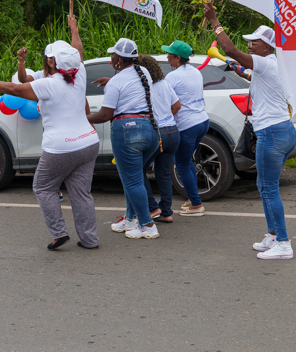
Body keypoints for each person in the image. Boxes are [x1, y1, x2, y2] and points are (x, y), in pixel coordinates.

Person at [0, 16, 100, 250]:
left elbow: (14, 88)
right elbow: (78, 50)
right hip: (88, 143)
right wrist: (74, 31)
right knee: (81, 193)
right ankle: (90, 239)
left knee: (43, 187)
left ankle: (59, 233)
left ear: (54, 61)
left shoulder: (50, 84)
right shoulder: (79, 73)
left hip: (61, 147)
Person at [204, 3, 296, 260]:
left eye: (254, 42)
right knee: (264, 185)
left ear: (266, 46)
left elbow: (229, 49)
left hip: (273, 133)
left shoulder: (266, 63)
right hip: (282, 131)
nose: (249, 45)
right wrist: (242, 72)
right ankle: (273, 235)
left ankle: (284, 243)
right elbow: (255, 76)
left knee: (268, 187)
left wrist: (214, 21)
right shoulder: (271, 65)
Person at [86, 38, 162, 240]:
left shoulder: (117, 82)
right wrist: (111, 81)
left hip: (127, 132)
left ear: (118, 58)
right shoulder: (143, 72)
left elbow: (104, 115)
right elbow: (129, 83)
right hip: (151, 130)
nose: (111, 58)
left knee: (133, 180)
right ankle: (130, 218)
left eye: (113, 55)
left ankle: (147, 224)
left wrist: (81, 118)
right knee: (133, 177)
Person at [161, 39, 209, 217]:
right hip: (202, 122)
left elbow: (166, 100)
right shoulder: (196, 72)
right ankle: (192, 197)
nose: (167, 58)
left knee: (182, 164)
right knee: (188, 161)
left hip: (187, 125)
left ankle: (196, 205)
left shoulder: (172, 77)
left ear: (178, 58)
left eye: (169, 55)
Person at [139, 55, 181, 224]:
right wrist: (166, 120)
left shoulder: (144, 86)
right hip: (173, 131)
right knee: (163, 173)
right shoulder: (164, 83)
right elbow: (177, 106)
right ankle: (166, 212)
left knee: (137, 170)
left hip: (158, 133)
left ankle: (152, 207)